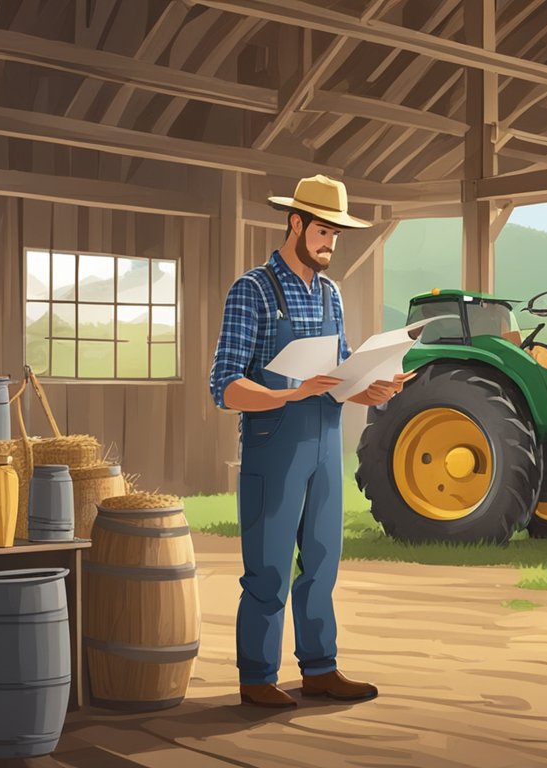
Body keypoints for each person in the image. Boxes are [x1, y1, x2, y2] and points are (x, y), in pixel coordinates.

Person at [209, 174, 408, 708]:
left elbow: (338, 376)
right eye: (323, 230)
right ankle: (256, 677)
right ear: (294, 223)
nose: (330, 243)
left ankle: (320, 667)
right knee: (269, 568)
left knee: (322, 562)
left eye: (336, 233)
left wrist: (371, 387)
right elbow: (225, 386)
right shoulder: (251, 290)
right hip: (274, 443)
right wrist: (288, 394)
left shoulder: (330, 293)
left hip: (325, 443)